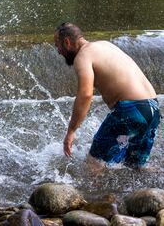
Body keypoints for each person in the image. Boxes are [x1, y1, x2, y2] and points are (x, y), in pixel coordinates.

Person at [54, 22, 161, 171]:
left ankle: (100, 195)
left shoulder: (83, 57)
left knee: (94, 162)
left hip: (130, 112)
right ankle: (151, 192)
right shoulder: (105, 45)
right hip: (152, 109)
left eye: (57, 45)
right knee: (135, 165)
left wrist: (71, 131)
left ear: (67, 42)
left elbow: (85, 94)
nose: (58, 51)